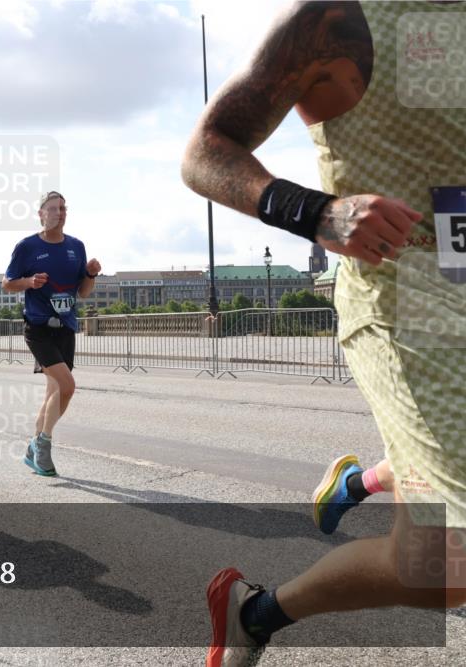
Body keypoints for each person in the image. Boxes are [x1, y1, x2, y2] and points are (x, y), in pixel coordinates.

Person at [180, 2, 466, 664]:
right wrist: (318, 212)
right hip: (405, 303)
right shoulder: (338, 17)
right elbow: (205, 149)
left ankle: (255, 610)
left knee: (435, 569)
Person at [1, 191, 101, 477]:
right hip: (39, 328)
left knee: (54, 391)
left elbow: (82, 292)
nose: (60, 212)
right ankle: (43, 445)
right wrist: (30, 282)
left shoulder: (76, 247)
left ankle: (33, 449)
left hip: (66, 328)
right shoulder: (27, 247)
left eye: (63, 208)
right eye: (54, 208)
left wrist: (91, 275)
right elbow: (7, 283)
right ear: (41, 214)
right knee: (67, 387)